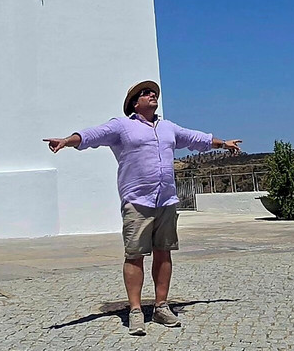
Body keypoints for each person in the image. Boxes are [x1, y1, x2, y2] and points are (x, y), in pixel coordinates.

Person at [43, 80, 241, 336]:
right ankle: (135, 311)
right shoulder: (122, 126)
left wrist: (223, 143)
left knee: (164, 253)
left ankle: (161, 306)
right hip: (137, 201)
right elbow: (93, 135)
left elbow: (195, 139)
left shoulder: (168, 128)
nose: (152, 95)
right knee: (134, 255)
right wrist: (68, 140)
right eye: (146, 93)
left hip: (166, 201)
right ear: (135, 103)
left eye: (154, 93)